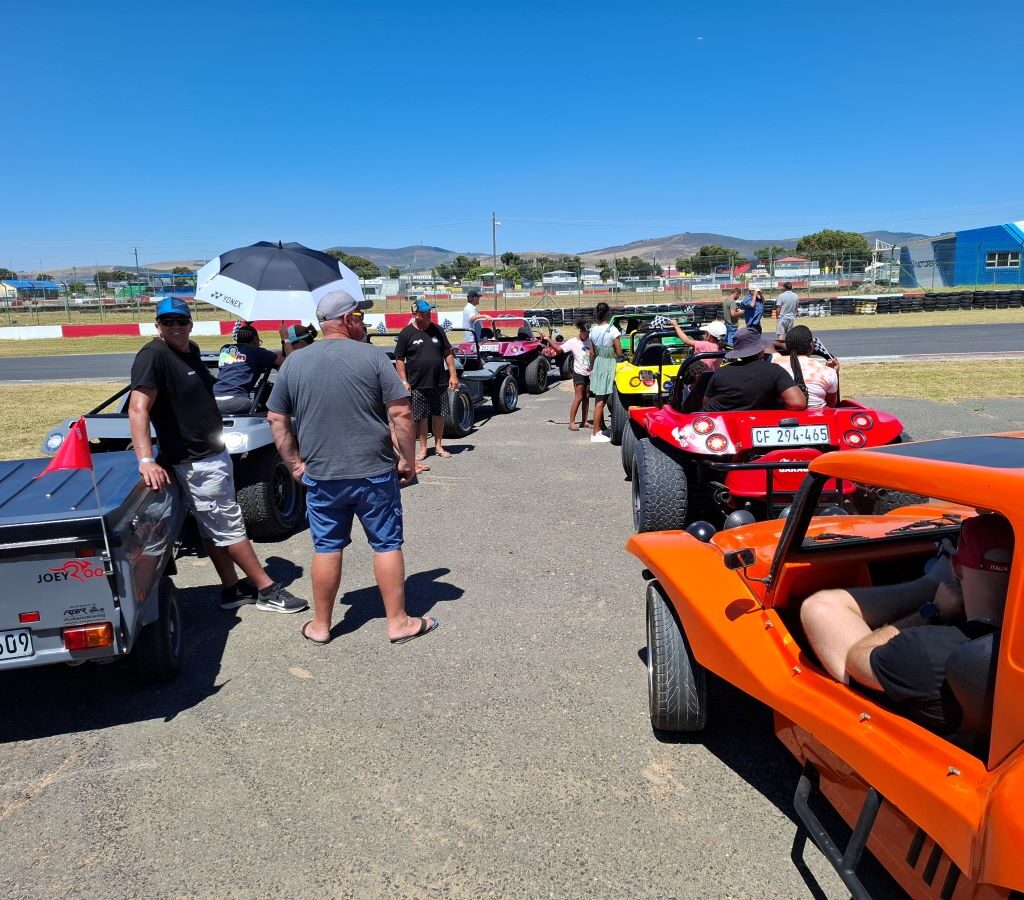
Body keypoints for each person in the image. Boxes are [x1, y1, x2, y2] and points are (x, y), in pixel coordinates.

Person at [266, 289, 438, 647]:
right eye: (358, 317)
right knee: (386, 544)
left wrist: (295, 465)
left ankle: (321, 625)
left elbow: (276, 417)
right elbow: (402, 413)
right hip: (373, 473)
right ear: (346, 320)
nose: (362, 322)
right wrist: (407, 460)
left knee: (327, 547)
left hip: (322, 476)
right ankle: (398, 623)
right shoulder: (373, 358)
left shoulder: (294, 362)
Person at [128, 297, 307, 613]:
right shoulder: (153, 355)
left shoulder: (192, 351)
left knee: (212, 526)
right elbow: (138, 407)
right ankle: (266, 589)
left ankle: (231, 588)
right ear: (157, 325)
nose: (175, 327)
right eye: (167, 322)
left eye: (180, 321)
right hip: (196, 461)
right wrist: (146, 459)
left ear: (190, 324)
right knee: (229, 524)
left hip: (213, 452)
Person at [800, 513, 1013, 734]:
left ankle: (929, 582)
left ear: (956, 568)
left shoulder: (924, 648)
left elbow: (855, 658)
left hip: (911, 742)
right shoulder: (1011, 650)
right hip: (991, 741)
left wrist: (932, 610)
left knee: (819, 607)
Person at [394, 299, 459, 461]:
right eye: (426, 313)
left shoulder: (437, 330)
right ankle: (423, 449)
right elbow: (400, 359)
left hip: (439, 381)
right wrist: (403, 381)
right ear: (415, 315)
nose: (430, 315)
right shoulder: (406, 333)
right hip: (417, 383)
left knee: (439, 414)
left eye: (430, 312)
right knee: (421, 417)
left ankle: (438, 445)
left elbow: (447, 353)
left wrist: (453, 375)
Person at [702, 327, 807, 412]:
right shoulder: (775, 371)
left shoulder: (720, 373)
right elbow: (798, 403)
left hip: (728, 426)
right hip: (764, 424)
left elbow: (705, 404)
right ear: (760, 350)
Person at [214, 322, 312, 414]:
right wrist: (285, 339)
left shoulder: (225, 349)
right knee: (267, 408)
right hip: (236, 400)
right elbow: (290, 361)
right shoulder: (256, 352)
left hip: (213, 398)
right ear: (256, 340)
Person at [771, 324, 838, 409]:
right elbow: (831, 405)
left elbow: (767, 344)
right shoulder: (829, 372)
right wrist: (836, 373)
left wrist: (782, 345)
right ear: (811, 345)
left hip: (784, 418)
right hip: (818, 418)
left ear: (787, 346)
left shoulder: (775, 362)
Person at [544, 319, 591, 431]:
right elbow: (559, 350)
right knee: (579, 397)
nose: (587, 334)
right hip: (578, 373)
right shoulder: (573, 342)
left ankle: (584, 421)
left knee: (586, 398)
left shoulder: (590, 341)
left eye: (588, 333)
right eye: (585, 332)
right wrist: (548, 339)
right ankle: (571, 422)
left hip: (588, 373)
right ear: (581, 330)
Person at [587, 302, 623, 443]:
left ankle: (601, 427)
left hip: (598, 364)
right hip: (608, 364)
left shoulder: (593, 330)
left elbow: (592, 352)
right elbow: (619, 352)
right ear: (608, 313)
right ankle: (595, 432)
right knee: (601, 402)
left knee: (598, 399)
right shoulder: (613, 330)